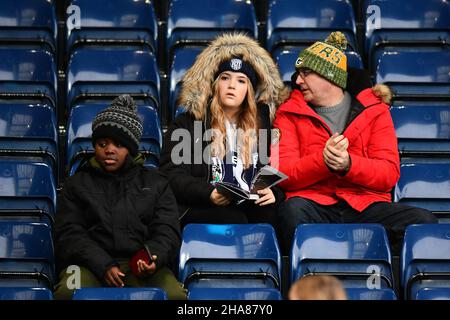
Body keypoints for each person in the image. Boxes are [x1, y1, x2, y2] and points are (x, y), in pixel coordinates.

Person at [272, 31, 437, 254]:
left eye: (305, 73)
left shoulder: (376, 112)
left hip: (364, 205)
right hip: (314, 204)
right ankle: (313, 278)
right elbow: (282, 172)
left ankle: (377, 269)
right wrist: (324, 161)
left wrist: (349, 165)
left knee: (422, 223)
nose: (298, 80)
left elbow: (388, 174)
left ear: (329, 75)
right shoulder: (288, 113)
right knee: (291, 211)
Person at [54, 95, 186, 300]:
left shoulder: (156, 183)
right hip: (91, 265)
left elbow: (167, 230)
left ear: (131, 149)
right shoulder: (76, 184)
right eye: (102, 143)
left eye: (118, 144)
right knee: (67, 293)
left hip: (140, 265)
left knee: (175, 296)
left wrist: (151, 258)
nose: (109, 150)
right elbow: (69, 234)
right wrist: (103, 265)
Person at [160, 33, 289, 227]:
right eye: (225, 78)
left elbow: (277, 169)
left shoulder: (264, 126)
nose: (231, 86)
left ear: (250, 91)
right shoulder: (187, 123)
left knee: (268, 216)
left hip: (248, 204)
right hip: (201, 205)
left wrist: (275, 193)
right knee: (232, 219)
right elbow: (171, 173)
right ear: (214, 85)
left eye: (241, 81)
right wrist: (207, 193)